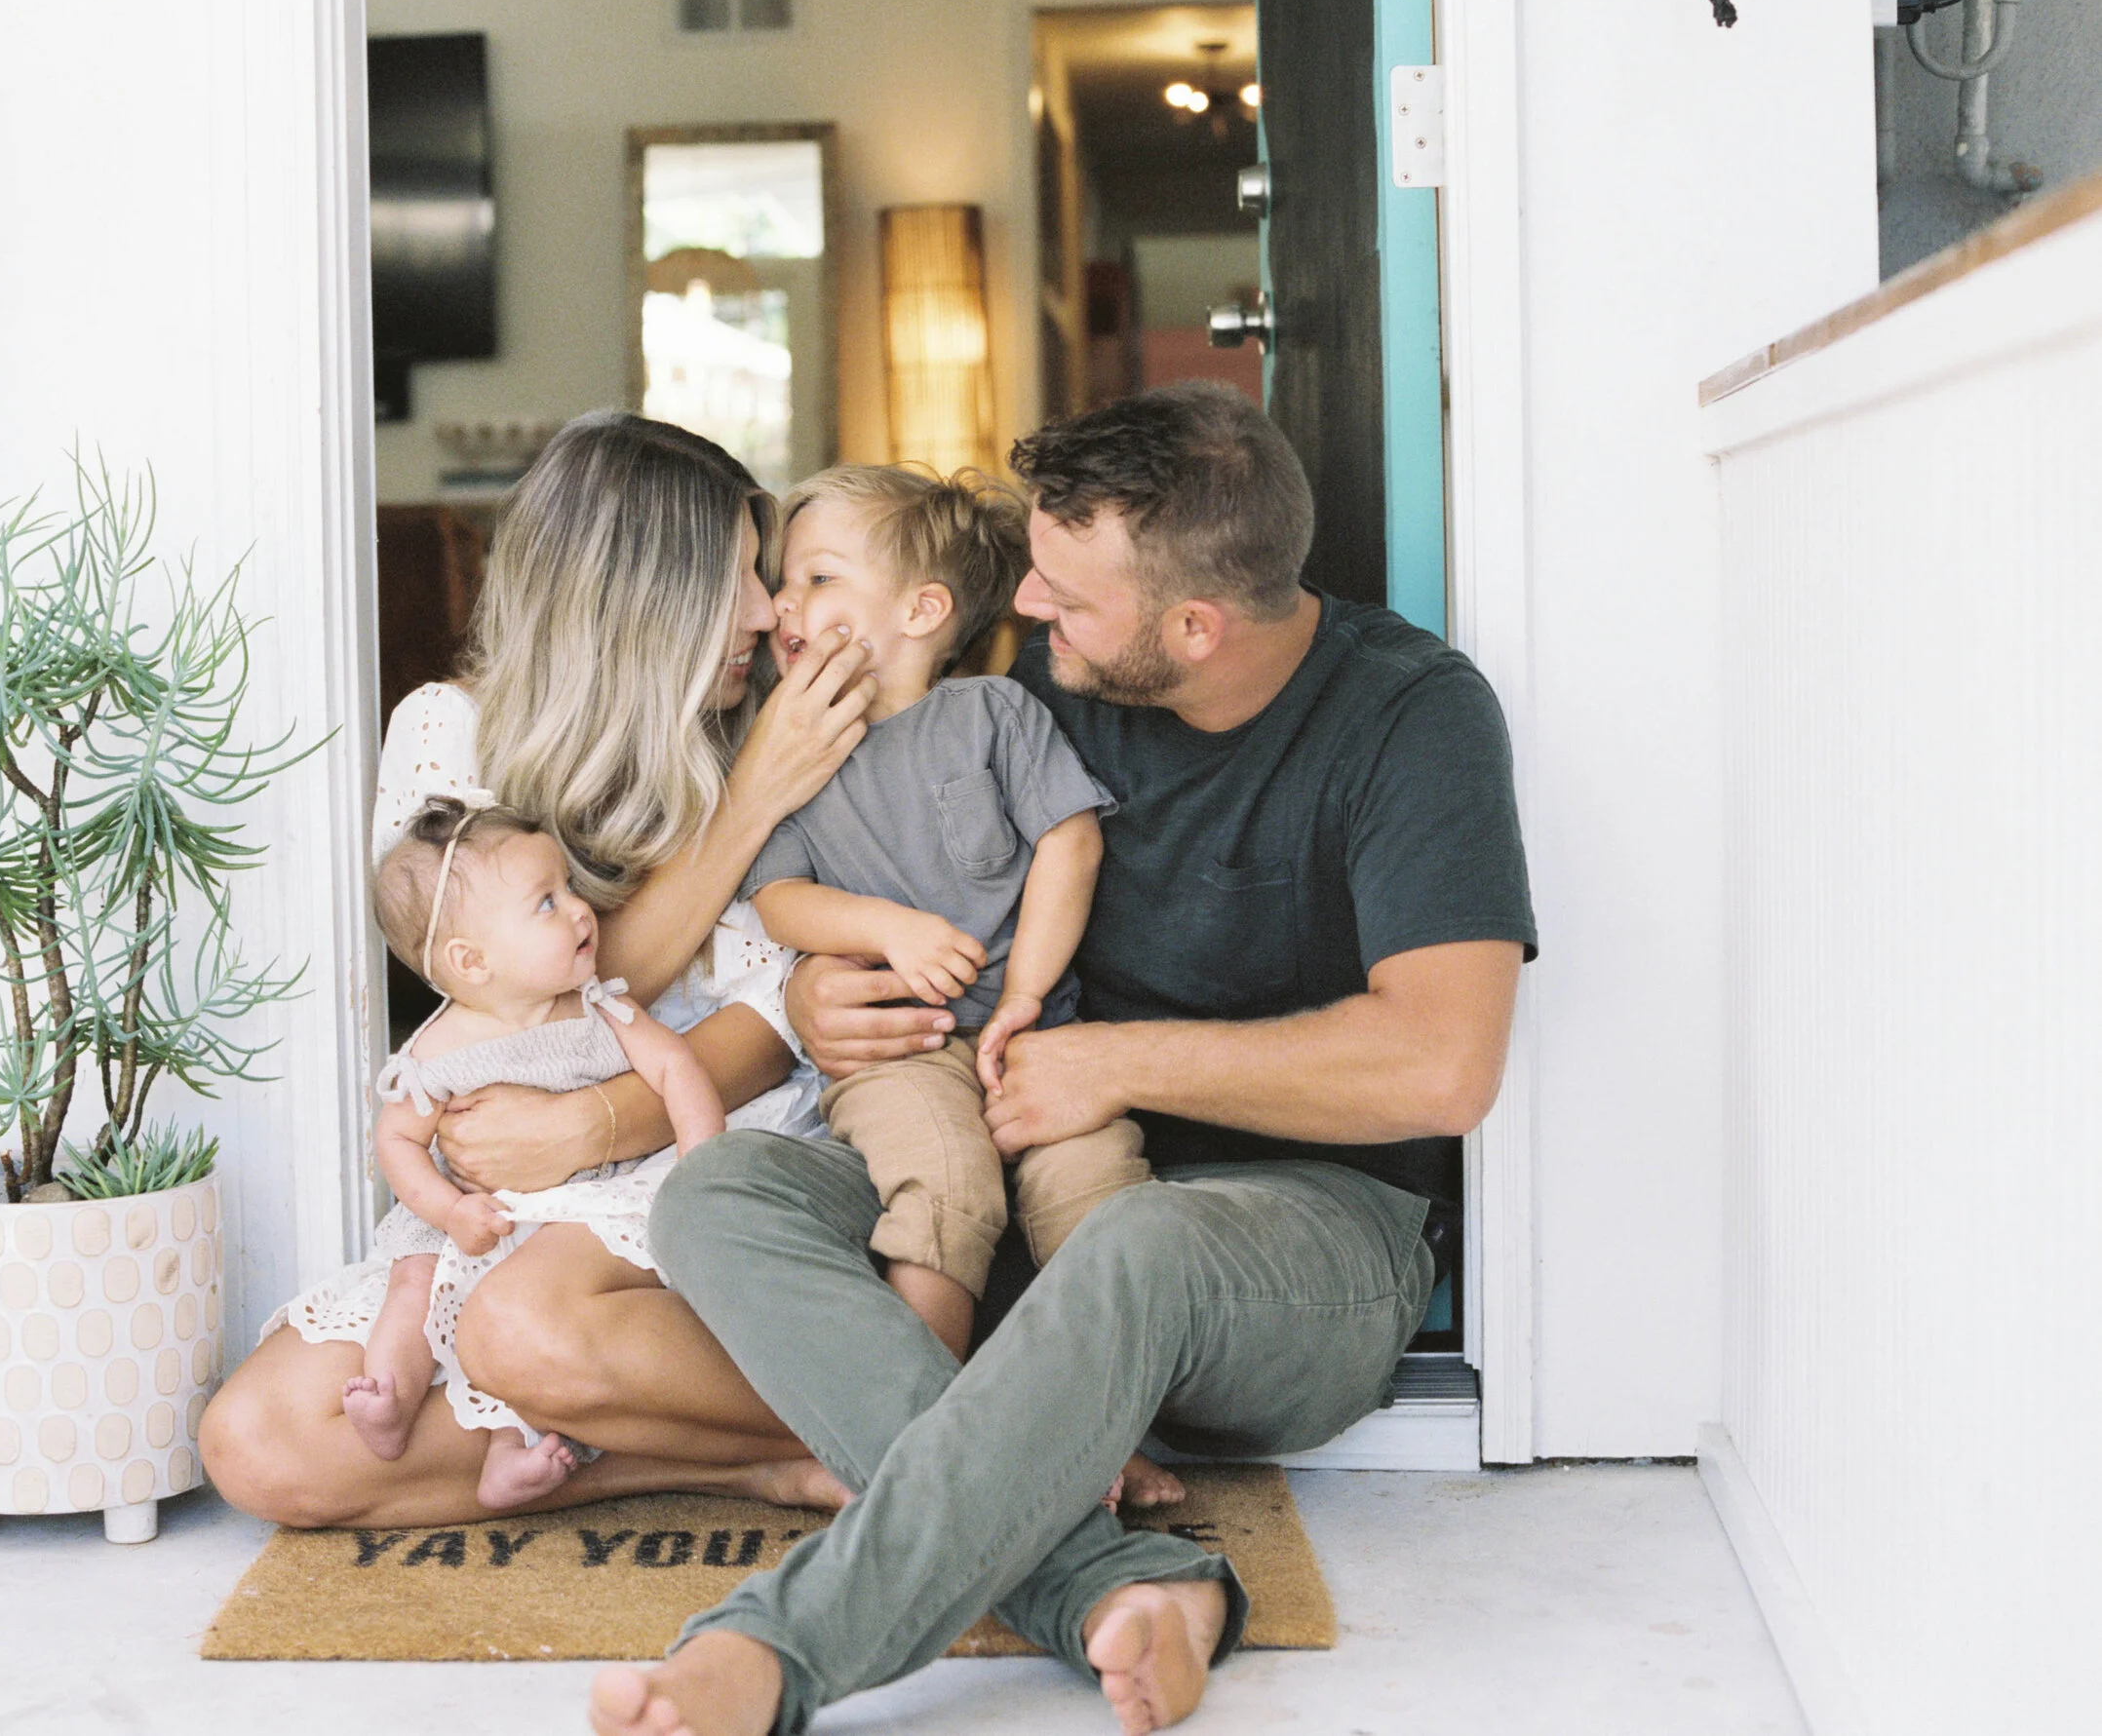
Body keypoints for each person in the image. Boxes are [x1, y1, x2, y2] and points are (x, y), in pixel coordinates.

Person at [592, 381, 1537, 1736]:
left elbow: (1443, 1065)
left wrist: (1114, 1063)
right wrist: (820, 989)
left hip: (1304, 1238)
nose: (1026, 608)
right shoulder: (1045, 685)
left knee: (1135, 1243)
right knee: (716, 1196)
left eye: (1065, 593)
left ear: (1194, 626)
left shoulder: (1412, 719)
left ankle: (778, 1654)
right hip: (1015, 1168)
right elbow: (890, 866)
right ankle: (1121, 1578)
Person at [203, 411, 912, 1528]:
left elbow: (777, 1022)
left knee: (523, 1329)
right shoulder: (451, 732)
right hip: (512, 1187)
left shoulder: (765, 737)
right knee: (259, 1443)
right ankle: (750, 1461)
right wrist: (743, 812)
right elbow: (527, 996)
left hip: (705, 1141)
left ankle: (934, 1426)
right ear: (639, 599)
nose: (768, 611)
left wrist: (595, 1123)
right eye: (734, 577)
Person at [744, 464, 1148, 1359]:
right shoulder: (796, 747)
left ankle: (1101, 1421)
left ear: (921, 612)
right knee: (946, 1183)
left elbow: (1069, 841)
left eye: (817, 578)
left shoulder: (992, 713)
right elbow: (778, 900)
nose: (781, 604)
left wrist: (1025, 997)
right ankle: (927, 1421)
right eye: (784, 582)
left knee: (1096, 1181)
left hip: (1035, 1031)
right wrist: (886, 928)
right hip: (898, 1049)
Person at [337, 800, 723, 1510]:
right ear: (471, 960)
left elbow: (677, 1070)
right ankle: (388, 1395)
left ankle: (510, 1452)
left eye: (570, 890)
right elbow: (396, 1141)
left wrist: (703, 1167)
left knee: (529, 1316)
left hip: (574, 1209)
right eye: (547, 902)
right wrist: (449, 1209)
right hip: (476, 1213)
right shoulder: (441, 1047)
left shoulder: (599, 1006)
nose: (581, 911)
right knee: (415, 1279)